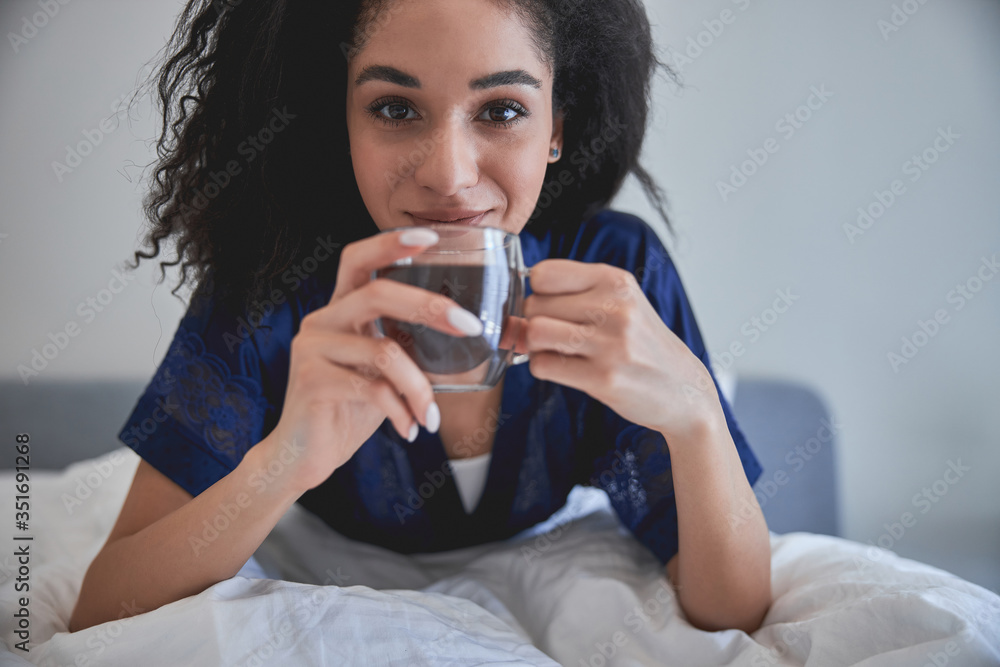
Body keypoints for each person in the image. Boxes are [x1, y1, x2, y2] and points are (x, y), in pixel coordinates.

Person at [70, 0, 771, 636]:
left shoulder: (616, 267)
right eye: (395, 109)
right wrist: (287, 458)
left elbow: (733, 608)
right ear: (340, 119)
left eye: (501, 110)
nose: (449, 174)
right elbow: (102, 609)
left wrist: (696, 414)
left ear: (557, 126)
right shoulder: (270, 280)